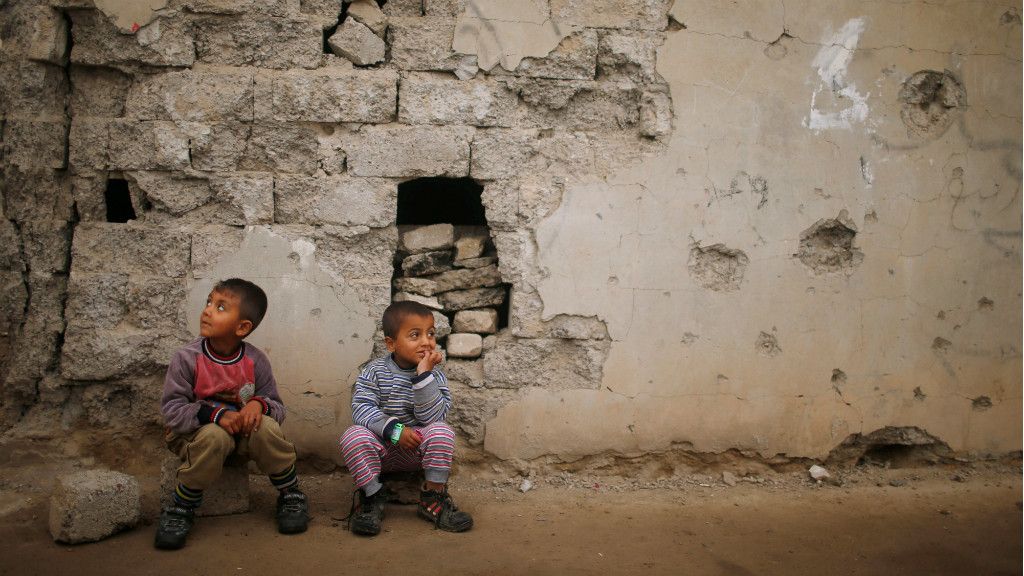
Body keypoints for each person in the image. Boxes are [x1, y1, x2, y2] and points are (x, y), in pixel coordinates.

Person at [155, 278, 308, 550]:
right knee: (215, 435)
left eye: (221, 307)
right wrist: (214, 415)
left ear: (242, 327)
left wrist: (258, 405)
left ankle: (290, 494)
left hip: (241, 440)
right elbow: (172, 411)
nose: (208, 310)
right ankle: (181, 508)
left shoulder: (255, 361)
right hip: (194, 438)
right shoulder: (186, 358)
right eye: (209, 302)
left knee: (268, 427)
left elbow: (278, 407)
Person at [339, 300, 473, 536]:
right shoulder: (374, 372)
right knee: (353, 435)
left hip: (417, 450)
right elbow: (361, 408)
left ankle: (433, 498)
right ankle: (371, 497)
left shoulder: (436, 377)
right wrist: (394, 430)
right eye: (415, 335)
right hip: (383, 449)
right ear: (391, 344)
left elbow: (432, 417)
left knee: (442, 431)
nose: (426, 341)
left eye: (430, 334)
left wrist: (423, 376)